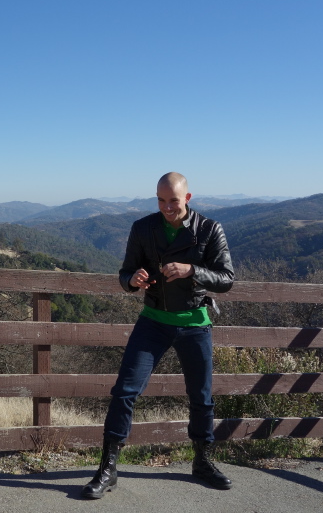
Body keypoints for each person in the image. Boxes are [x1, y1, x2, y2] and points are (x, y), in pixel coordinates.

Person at [81, 172, 235, 499]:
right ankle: (108, 469)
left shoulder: (209, 230)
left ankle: (203, 462)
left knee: (201, 396)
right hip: (152, 320)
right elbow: (125, 273)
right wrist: (133, 279)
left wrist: (192, 270)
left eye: (174, 201)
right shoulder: (143, 228)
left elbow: (226, 278)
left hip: (195, 322)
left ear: (188, 199)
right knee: (124, 391)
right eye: (161, 200)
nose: (167, 207)